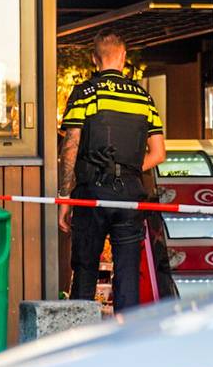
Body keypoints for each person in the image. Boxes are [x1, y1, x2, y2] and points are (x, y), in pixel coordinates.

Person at [58, 31, 166, 312]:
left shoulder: (85, 93)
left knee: (85, 268)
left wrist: (64, 197)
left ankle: (80, 337)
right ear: (123, 58)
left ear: (95, 59)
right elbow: (158, 154)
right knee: (128, 272)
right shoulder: (143, 97)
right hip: (131, 193)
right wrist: (128, 170)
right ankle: (126, 342)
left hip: (91, 191)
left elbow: (71, 146)